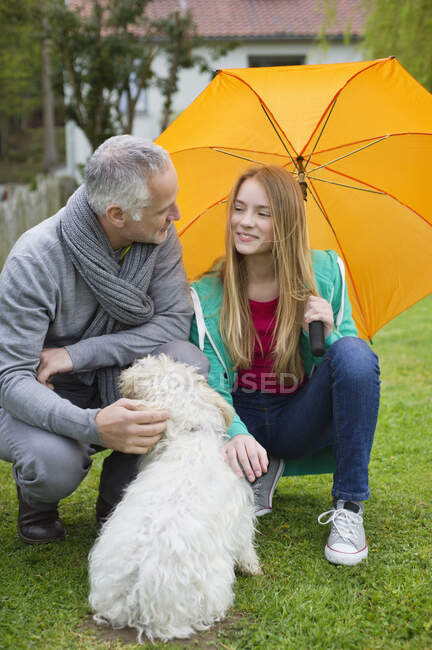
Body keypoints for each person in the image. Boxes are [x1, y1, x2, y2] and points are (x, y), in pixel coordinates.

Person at [0, 135, 208, 545]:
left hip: (110, 376)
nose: (177, 216)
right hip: (47, 393)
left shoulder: (159, 238)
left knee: (187, 361)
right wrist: (92, 424)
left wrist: (77, 354)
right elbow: (11, 380)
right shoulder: (35, 260)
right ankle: (37, 497)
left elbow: (172, 321)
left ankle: (122, 482)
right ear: (116, 214)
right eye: (164, 209)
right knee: (54, 464)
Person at [189, 165, 380, 566]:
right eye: (238, 209)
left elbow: (346, 371)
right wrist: (236, 433)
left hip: (298, 419)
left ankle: (349, 507)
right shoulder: (207, 291)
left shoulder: (325, 273)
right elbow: (211, 384)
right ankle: (256, 467)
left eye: (263, 213)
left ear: (288, 221)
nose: (244, 222)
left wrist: (328, 333)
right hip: (241, 419)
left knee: (356, 352)